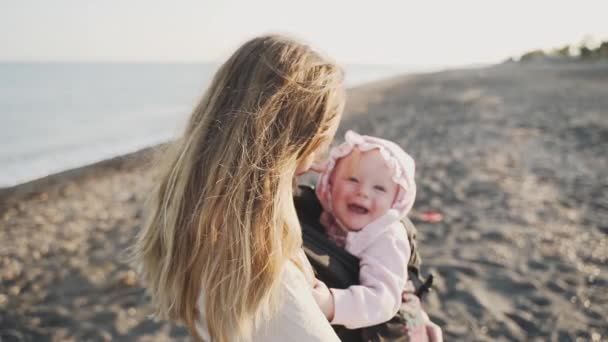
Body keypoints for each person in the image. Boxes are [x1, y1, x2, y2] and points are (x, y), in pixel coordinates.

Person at [131, 34, 345, 342]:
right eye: (322, 139)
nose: (320, 156)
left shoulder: (186, 216)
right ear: (295, 140)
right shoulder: (263, 274)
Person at [310, 130, 442, 341]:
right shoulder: (330, 215)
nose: (363, 191)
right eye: (352, 179)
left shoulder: (387, 236)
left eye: (379, 188)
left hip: (399, 330)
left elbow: (383, 300)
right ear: (330, 184)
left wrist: (331, 304)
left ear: (395, 202)